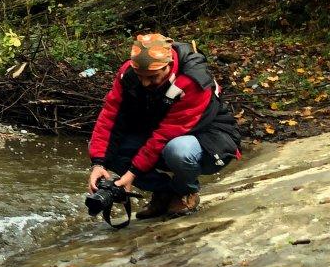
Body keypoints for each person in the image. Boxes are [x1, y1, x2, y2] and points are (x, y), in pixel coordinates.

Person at [87, 33, 241, 217]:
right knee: (105, 151)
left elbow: (165, 134)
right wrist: (98, 163)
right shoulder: (127, 73)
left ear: (168, 66)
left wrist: (132, 173)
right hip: (162, 135)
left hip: (210, 140)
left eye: (152, 78)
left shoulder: (193, 80)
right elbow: (109, 117)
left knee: (178, 150)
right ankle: (164, 193)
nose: (145, 83)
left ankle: (186, 192)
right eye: (140, 76)